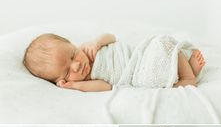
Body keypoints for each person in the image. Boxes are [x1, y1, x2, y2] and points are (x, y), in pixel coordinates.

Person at [23, 33, 206, 91]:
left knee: (162, 42)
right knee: (150, 82)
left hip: (138, 56)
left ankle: (186, 71)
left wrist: (97, 42)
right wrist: (74, 86)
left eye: (72, 55)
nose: (76, 65)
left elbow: (112, 37)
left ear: (72, 45)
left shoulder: (88, 48)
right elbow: (106, 87)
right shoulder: (85, 81)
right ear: (60, 82)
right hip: (135, 74)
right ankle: (186, 79)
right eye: (67, 72)